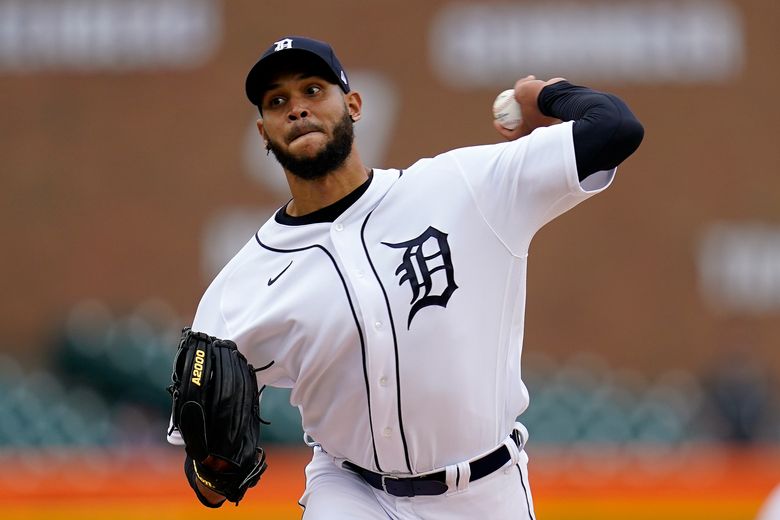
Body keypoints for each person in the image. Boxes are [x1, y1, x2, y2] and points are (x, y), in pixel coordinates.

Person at [167, 35, 644, 518]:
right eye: (277, 101)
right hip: (351, 493)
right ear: (263, 132)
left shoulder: (461, 187)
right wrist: (211, 469)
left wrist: (545, 95)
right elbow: (207, 482)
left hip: (485, 491)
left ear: (352, 105)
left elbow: (616, 128)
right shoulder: (241, 286)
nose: (296, 109)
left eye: (313, 90)